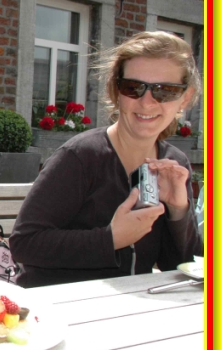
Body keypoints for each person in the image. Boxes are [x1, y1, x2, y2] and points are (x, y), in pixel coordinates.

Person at [10, 31, 203, 288]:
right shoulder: (80, 157)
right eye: (133, 87)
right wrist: (110, 239)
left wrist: (179, 211)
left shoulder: (174, 165)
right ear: (116, 91)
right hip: (59, 304)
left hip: (136, 304)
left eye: (165, 91)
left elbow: (180, 266)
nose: (147, 102)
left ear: (185, 98)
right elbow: (24, 243)